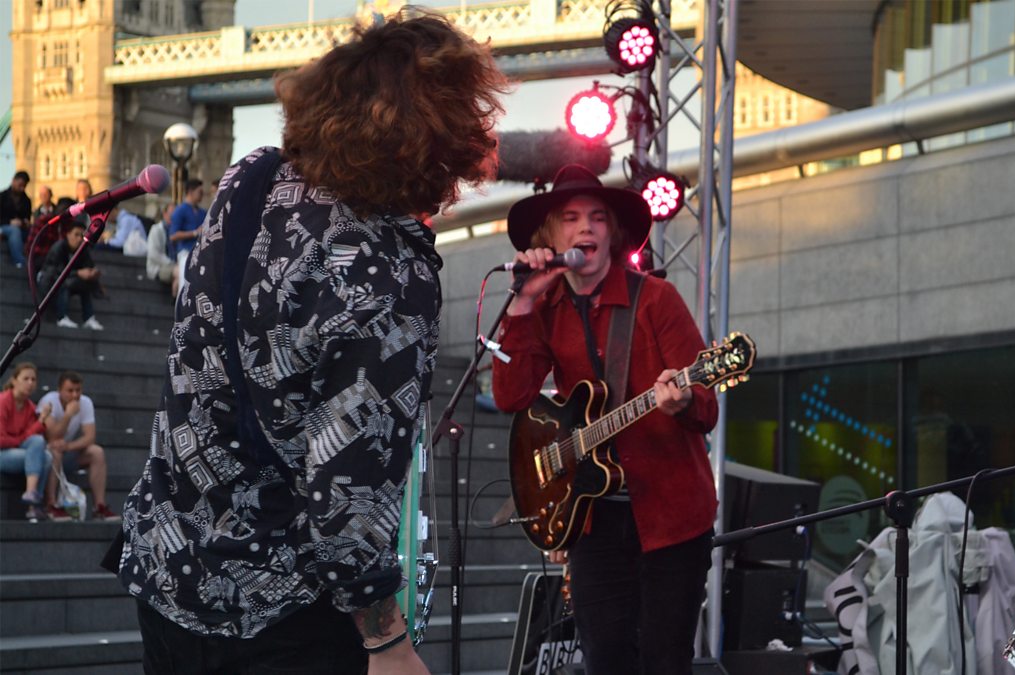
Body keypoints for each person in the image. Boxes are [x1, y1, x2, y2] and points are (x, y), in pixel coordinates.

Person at [117, 9, 506, 674]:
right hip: (283, 616)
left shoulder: (251, 180)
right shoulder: (390, 272)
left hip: (168, 569)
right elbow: (347, 495)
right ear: (437, 138)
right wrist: (387, 642)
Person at [490, 164, 719, 674]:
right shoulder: (544, 307)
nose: (585, 227)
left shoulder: (656, 299)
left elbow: (707, 406)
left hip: (671, 516)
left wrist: (683, 402)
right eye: (570, 219)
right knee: (605, 660)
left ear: (613, 233)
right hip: (592, 517)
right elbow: (511, 396)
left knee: (665, 661)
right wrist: (522, 303)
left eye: (597, 217)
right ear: (549, 238)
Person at [39, 371, 118, 521]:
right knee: (55, 450)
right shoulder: (48, 401)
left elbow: (90, 437)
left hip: (67, 452)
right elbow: (52, 436)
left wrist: (68, 446)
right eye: (70, 391)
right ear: (59, 390)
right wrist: (68, 415)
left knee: (96, 452)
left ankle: (99, 507)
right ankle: (51, 505)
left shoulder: (85, 402)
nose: (75, 395)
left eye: (78, 390)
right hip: (46, 454)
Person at [0, 362, 52, 521]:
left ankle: (31, 496)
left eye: (33, 379)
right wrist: (19, 440)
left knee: (46, 454)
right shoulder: (3, 401)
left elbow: (30, 437)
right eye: (26, 378)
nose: (30, 383)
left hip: (16, 450)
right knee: (40, 455)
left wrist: (41, 420)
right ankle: (33, 504)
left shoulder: (30, 407)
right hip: (2, 453)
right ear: (14, 380)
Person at [40, 220, 104, 330]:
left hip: (70, 280)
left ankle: (89, 318)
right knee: (64, 284)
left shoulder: (83, 250)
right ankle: (62, 317)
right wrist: (78, 273)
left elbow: (89, 266)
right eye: (76, 234)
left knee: (84, 285)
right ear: (68, 234)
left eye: (82, 236)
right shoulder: (58, 247)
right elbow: (54, 271)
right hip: (49, 280)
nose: (79, 239)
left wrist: (93, 273)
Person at [168, 179, 205, 272]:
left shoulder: (202, 212)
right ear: (191, 192)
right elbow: (173, 235)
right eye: (200, 192)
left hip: (200, 255)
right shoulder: (180, 210)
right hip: (185, 253)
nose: (202, 195)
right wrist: (195, 233)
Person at [0, 170, 33, 268]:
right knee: (14, 231)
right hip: (4, 227)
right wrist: (10, 222)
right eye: (20, 185)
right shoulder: (2, 197)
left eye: (24, 186)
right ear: (14, 181)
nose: (22, 188)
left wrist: (24, 222)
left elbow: (27, 218)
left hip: (21, 228)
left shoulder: (26, 200)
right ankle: (20, 261)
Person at [145, 202, 177, 295]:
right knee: (180, 272)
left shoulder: (177, 231)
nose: (174, 217)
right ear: (164, 214)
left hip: (175, 266)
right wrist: (171, 263)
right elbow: (153, 254)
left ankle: (175, 300)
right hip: (159, 268)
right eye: (171, 214)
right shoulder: (156, 229)